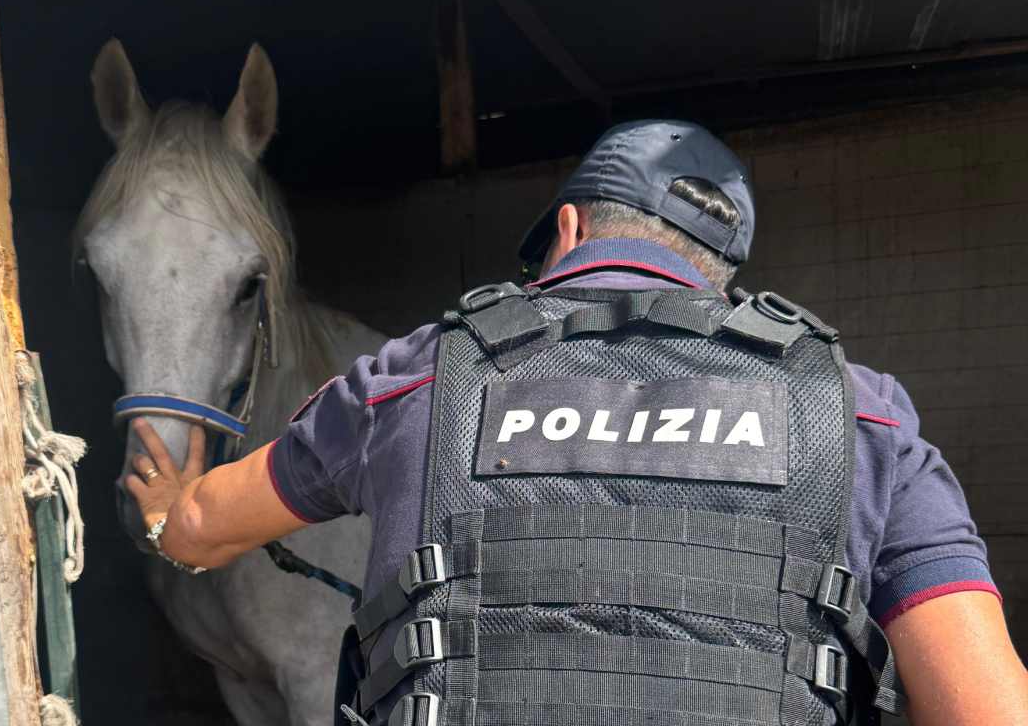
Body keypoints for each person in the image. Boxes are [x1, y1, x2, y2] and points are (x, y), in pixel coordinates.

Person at [125, 120, 1028, 726]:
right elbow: (986, 709)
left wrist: (170, 498)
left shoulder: (411, 384)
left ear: (566, 230)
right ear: (720, 271)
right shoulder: (862, 419)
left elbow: (201, 531)